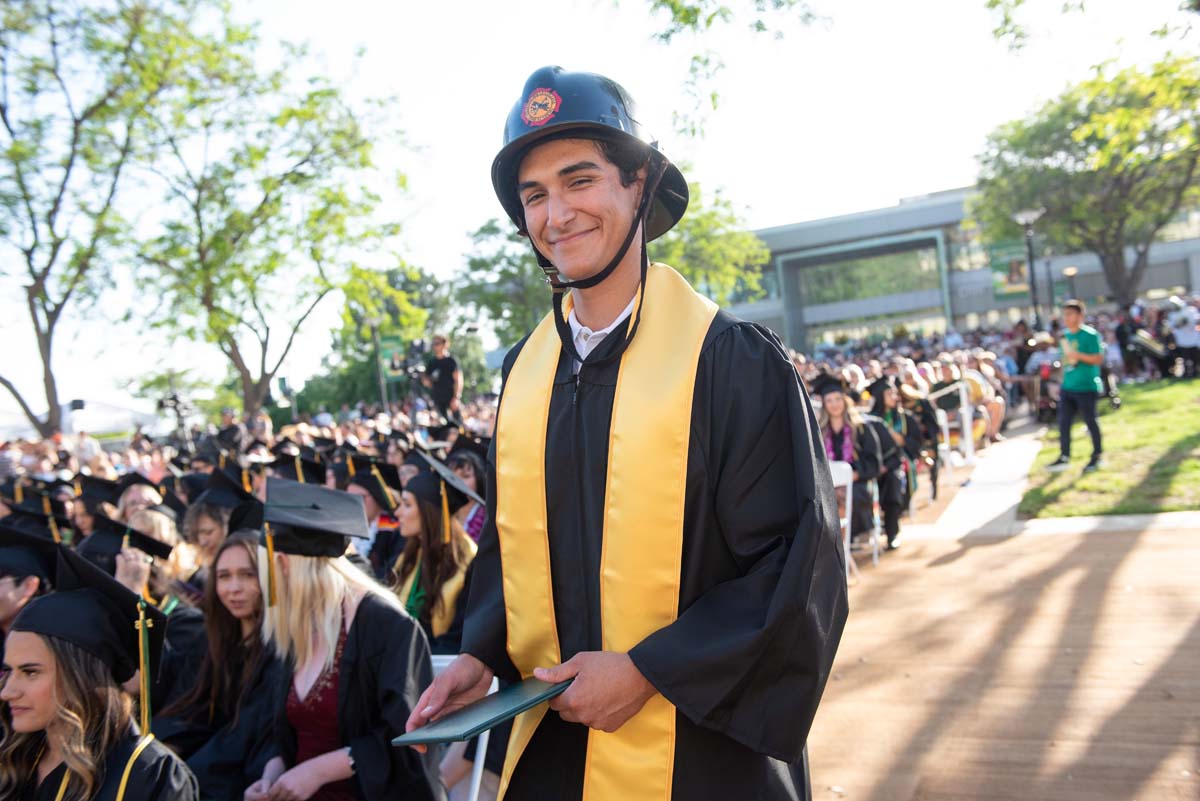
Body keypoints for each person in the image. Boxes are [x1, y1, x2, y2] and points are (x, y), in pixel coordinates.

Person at [408, 67, 847, 800]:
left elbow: (795, 566)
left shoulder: (728, 360)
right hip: (553, 742)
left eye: (580, 181)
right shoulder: (526, 373)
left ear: (639, 183)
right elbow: (513, 544)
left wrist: (648, 668)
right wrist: (481, 652)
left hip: (699, 751)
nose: (556, 214)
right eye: (534, 195)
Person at [246, 478, 442, 801]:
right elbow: (287, 730)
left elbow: (410, 742)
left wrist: (321, 770)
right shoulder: (299, 626)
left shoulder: (386, 627)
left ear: (284, 563)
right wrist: (274, 772)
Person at [0, 545, 198, 800]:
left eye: (30, 672)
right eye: (8, 671)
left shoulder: (147, 775)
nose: (7, 692)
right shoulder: (15, 761)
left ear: (81, 677)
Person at [154, 534, 282, 801]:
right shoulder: (212, 641)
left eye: (247, 575)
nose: (233, 588)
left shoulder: (283, 650)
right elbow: (189, 708)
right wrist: (162, 753)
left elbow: (251, 735)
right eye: (223, 576)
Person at [392, 463, 478, 654]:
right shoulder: (408, 555)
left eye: (406, 505)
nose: (397, 512)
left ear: (427, 512)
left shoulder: (469, 563)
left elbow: (459, 638)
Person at [813, 373, 883, 539]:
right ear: (823, 404)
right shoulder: (818, 432)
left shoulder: (860, 428)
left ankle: (842, 542)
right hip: (828, 485)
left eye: (837, 398)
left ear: (845, 400)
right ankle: (838, 544)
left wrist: (854, 475)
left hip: (857, 482)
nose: (834, 404)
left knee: (850, 497)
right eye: (829, 400)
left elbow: (874, 463)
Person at [1048, 300, 1105, 473]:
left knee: (1091, 422)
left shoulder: (1090, 335)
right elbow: (1065, 363)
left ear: (1080, 316)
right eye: (1065, 314)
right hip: (1068, 386)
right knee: (1064, 423)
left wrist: (1078, 355)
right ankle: (1064, 456)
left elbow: (1098, 359)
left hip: (1086, 386)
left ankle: (1097, 456)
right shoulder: (1064, 336)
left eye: (1070, 314)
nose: (1066, 318)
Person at [867, 376, 922, 549]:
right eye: (889, 393)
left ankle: (892, 532)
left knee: (893, 481)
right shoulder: (868, 420)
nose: (895, 397)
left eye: (895, 393)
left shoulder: (905, 418)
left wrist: (900, 440)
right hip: (874, 463)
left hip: (897, 462)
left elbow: (915, 444)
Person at [446, 449, 487, 542]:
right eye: (452, 477)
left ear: (479, 478)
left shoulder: (489, 519)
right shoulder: (444, 515)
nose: (458, 483)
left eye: (465, 476)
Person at [421, 335, 463, 423]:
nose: (435, 346)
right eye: (433, 344)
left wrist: (456, 398)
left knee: (458, 424)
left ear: (445, 344)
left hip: (451, 397)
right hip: (438, 399)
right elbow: (428, 383)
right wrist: (423, 378)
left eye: (437, 343)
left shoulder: (451, 361)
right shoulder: (432, 362)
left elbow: (458, 380)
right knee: (444, 426)